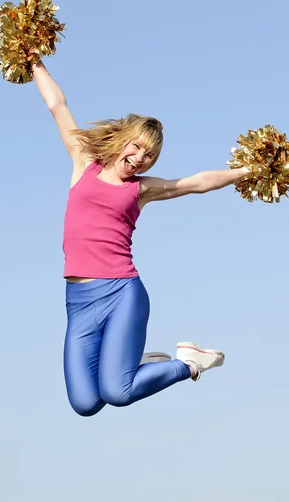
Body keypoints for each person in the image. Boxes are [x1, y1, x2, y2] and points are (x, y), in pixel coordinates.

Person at [33, 59, 248, 417]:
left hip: (121, 293)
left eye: (149, 156)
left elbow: (196, 183)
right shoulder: (85, 162)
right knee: (85, 403)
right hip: (78, 300)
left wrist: (245, 171)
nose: (139, 159)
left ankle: (187, 364)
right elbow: (58, 106)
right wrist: (35, 61)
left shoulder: (141, 190)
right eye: (136, 148)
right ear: (123, 140)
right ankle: (134, 363)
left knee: (117, 393)